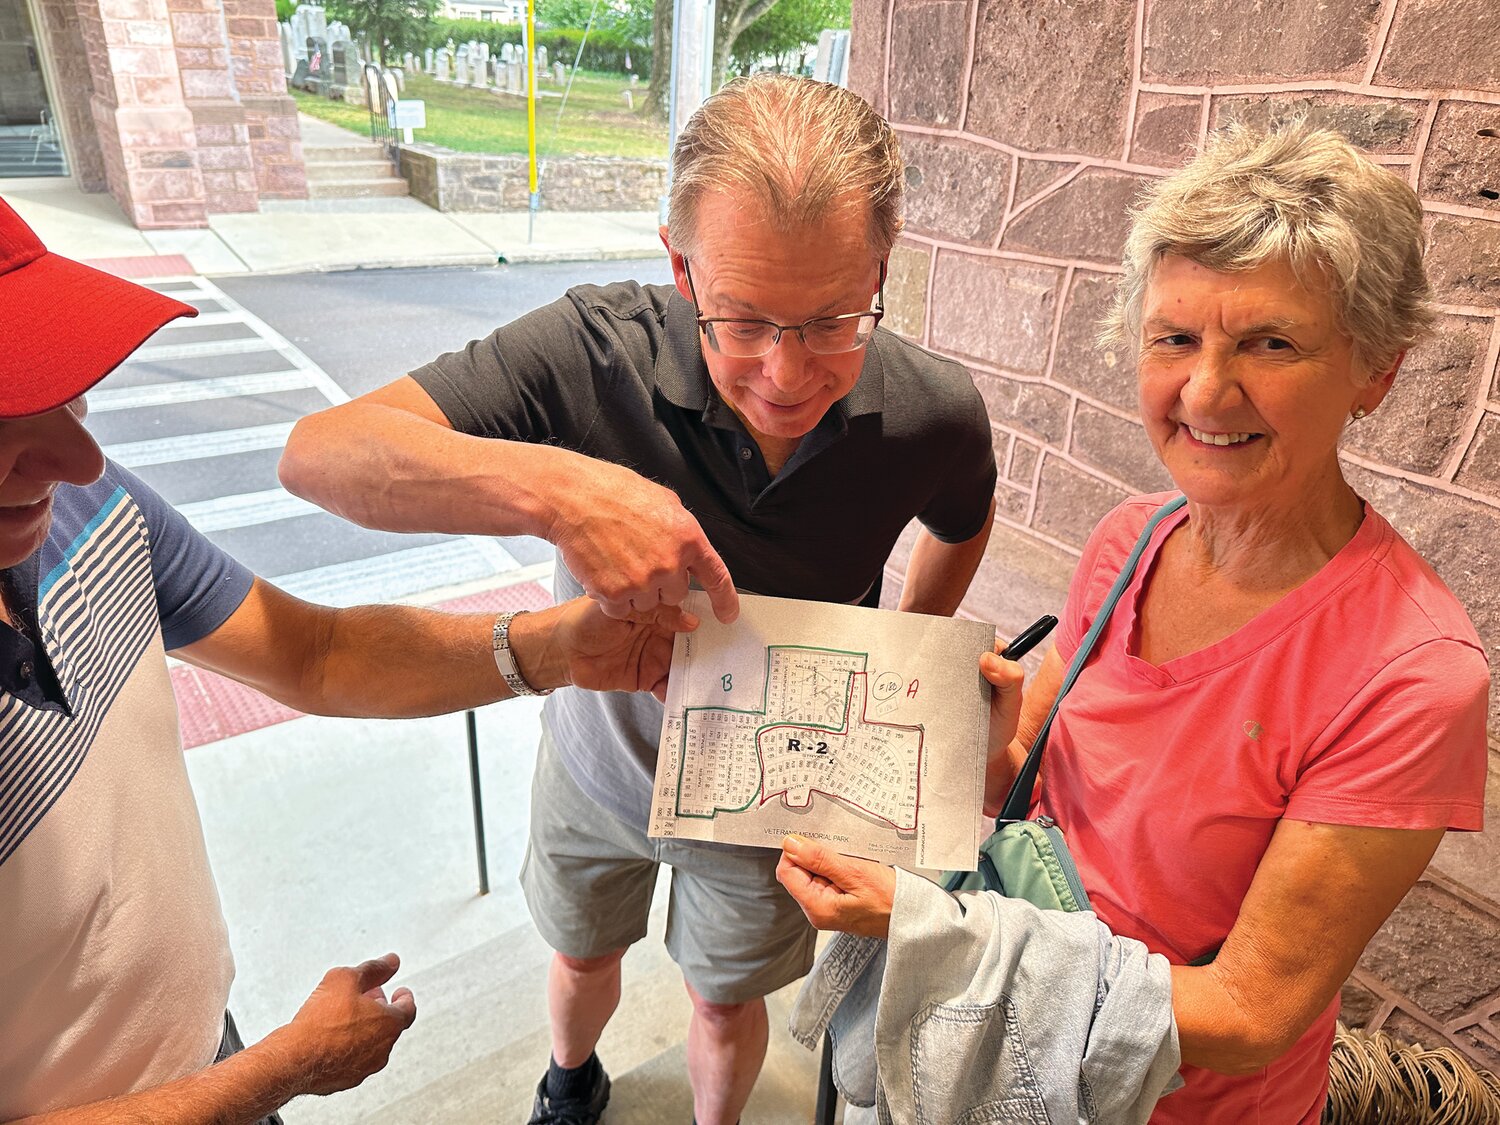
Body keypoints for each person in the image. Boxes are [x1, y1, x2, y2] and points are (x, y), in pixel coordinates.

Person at [277, 75, 998, 1124]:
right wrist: (567, 492)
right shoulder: (592, 352)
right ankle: (570, 1079)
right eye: (742, 320)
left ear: (882, 270)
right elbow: (322, 453)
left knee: (722, 999)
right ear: (679, 266)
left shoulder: (934, 412)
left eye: (833, 319)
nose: (786, 374)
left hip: (770, 792)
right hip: (597, 754)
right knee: (578, 952)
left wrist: (905, 646)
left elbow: (962, 519)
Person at [777, 121, 1490, 1122]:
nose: (1205, 390)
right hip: (1011, 1049)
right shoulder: (1132, 540)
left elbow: (1254, 1011)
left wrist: (937, 934)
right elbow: (1030, 783)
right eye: (1175, 338)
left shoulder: (1411, 676)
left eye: (1270, 343)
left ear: (1378, 370)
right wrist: (972, 735)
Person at [0, 196, 695, 1124]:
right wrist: (282, 1071)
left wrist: (557, 646)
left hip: (209, 1050)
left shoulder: (94, 511)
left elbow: (316, 654)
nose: (78, 457)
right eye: (1, 417)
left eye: (63, 387)